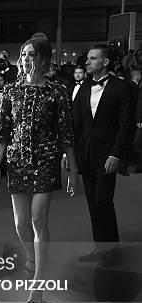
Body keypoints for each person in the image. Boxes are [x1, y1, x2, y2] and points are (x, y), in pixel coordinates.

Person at [0, 33, 78, 303]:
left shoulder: (57, 92)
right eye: (24, 54)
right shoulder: (11, 91)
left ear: (43, 60)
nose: (26, 59)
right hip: (17, 161)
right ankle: (31, 257)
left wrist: (73, 170)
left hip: (45, 160)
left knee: (38, 220)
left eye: (32, 55)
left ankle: (38, 282)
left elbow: (66, 133)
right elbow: (3, 132)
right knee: (20, 223)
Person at [72, 45, 135, 267]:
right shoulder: (84, 87)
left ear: (105, 62)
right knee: (92, 202)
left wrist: (116, 155)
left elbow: (126, 125)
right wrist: (69, 153)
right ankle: (101, 247)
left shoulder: (122, 87)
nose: (87, 62)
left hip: (108, 155)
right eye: (87, 58)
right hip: (86, 154)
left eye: (92, 58)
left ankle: (113, 250)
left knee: (103, 201)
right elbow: (75, 123)